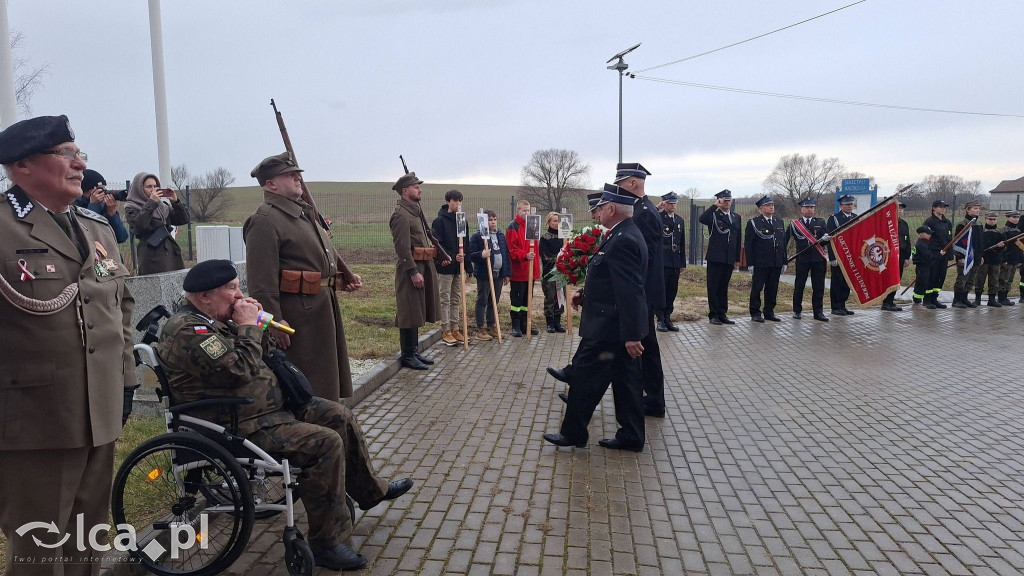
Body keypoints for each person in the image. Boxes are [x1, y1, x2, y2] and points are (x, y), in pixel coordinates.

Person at [155, 260, 413, 572]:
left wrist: (258, 326)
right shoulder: (188, 330)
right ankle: (326, 543)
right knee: (324, 443)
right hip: (235, 424)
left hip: (266, 412)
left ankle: (370, 491)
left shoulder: (216, 320)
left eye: (238, 286)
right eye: (231, 289)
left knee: (338, 415)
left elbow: (261, 355)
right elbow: (237, 370)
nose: (239, 295)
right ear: (204, 296)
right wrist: (248, 327)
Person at [0, 115, 135, 574]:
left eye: (79, 154)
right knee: (39, 552)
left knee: (87, 541)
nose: (80, 164)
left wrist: (126, 379)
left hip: (99, 410)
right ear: (22, 165)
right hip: (34, 420)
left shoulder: (96, 228)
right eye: (65, 154)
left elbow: (120, 305)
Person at [243, 152, 361, 401]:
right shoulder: (264, 221)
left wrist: (340, 278)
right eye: (289, 175)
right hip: (297, 318)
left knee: (326, 380)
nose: (298, 178)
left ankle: (327, 418)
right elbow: (260, 282)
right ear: (271, 184)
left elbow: (314, 261)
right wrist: (273, 323)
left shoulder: (303, 214)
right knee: (307, 383)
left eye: (297, 173)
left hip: (322, 308)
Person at [543, 185, 648, 452]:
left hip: (609, 328)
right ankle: (632, 435)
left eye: (600, 208)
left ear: (612, 209)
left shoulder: (624, 239)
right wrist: (584, 294)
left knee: (583, 378)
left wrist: (632, 335)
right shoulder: (621, 234)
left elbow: (630, 291)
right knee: (627, 383)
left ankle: (573, 433)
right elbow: (610, 281)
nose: (597, 213)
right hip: (613, 325)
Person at [614, 162, 666, 418]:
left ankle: (654, 400)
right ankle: (653, 398)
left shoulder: (643, 212)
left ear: (633, 183)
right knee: (646, 347)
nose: (618, 188)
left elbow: (643, 258)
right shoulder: (642, 209)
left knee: (645, 347)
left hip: (643, 291)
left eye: (621, 183)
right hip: (643, 291)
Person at [390, 171, 442, 370]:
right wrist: (413, 272)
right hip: (410, 270)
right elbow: (402, 248)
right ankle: (407, 355)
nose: (420, 190)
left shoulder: (414, 211)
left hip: (422, 266)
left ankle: (414, 352)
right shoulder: (400, 215)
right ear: (405, 191)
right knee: (409, 311)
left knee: (417, 310)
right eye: (416, 187)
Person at [124, 171, 190, 275]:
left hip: (171, 252)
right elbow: (139, 226)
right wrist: (151, 203)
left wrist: (176, 202)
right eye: (149, 187)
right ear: (139, 189)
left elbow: (183, 219)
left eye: (155, 186)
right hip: (151, 256)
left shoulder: (162, 206)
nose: (153, 189)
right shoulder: (132, 207)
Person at [430, 189, 469, 346]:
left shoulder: (462, 221)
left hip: (458, 267)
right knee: (444, 298)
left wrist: (467, 265)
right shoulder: (439, 222)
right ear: (448, 202)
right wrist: (452, 256)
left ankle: (455, 328)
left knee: (456, 299)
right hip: (445, 267)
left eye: (460, 201)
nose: (458, 204)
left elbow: (465, 243)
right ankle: (445, 330)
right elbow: (438, 245)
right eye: (455, 201)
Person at [699, 189, 742, 325]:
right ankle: (714, 314)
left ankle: (722, 313)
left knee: (724, 286)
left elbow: (738, 239)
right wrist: (714, 206)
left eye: (729, 200)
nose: (727, 203)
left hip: (729, 257)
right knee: (713, 286)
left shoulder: (736, 217)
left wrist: (737, 258)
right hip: (716, 257)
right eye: (724, 200)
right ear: (719, 201)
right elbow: (702, 219)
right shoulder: (714, 215)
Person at [468, 209, 511, 341]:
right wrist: (481, 254)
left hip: (498, 274)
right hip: (485, 274)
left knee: (494, 300)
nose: (493, 222)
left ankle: (492, 325)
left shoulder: (500, 235)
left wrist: (506, 273)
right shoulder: (478, 236)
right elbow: (471, 254)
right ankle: (480, 328)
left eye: (494, 219)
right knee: (483, 300)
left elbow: (504, 255)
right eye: (490, 220)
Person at [785, 197, 829, 321]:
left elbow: (825, 241)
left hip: (818, 259)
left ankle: (818, 312)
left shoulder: (821, 222)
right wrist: (784, 256)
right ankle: (797, 310)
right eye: (807, 207)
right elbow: (785, 239)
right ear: (802, 209)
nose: (809, 209)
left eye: (811, 207)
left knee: (818, 286)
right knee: (799, 285)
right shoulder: (795, 224)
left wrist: (826, 240)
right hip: (802, 259)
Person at [745, 195, 787, 322]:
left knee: (772, 288)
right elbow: (749, 245)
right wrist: (750, 263)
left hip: (776, 261)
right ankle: (755, 312)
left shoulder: (779, 222)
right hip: (761, 262)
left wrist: (784, 261)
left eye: (772, 205)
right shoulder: (754, 223)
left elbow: (782, 243)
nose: (771, 207)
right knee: (757, 288)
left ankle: (769, 311)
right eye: (768, 205)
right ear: (761, 208)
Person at [506, 200, 541, 337]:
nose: (527, 213)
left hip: (531, 270)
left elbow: (536, 247)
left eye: (528, 210)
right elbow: (512, 249)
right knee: (517, 300)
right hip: (519, 270)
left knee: (528, 299)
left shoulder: (533, 225)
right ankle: (515, 325)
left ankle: (526, 324)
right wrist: (525, 255)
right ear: (518, 211)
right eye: (524, 210)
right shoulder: (513, 226)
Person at [656, 192, 685, 332]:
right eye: (669, 203)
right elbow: (646, 218)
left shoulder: (679, 220)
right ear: (664, 203)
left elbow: (682, 242)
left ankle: (668, 317)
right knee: (661, 290)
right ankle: (660, 319)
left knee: (672, 290)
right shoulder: (658, 218)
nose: (672, 205)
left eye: (674, 203)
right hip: (663, 259)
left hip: (675, 260)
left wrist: (682, 262)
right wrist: (656, 208)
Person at [75, 169, 129, 243]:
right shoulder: (73, 206)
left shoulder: (102, 206)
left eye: (104, 189)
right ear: (86, 189)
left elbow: (121, 238)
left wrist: (112, 214)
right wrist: (93, 205)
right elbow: (86, 233)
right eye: (100, 189)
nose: (103, 193)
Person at [826, 194, 858, 315]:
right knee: (837, 281)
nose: (850, 206)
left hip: (851, 255)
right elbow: (830, 239)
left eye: (851, 204)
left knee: (847, 281)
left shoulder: (855, 217)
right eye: (847, 204)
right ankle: (835, 307)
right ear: (841, 206)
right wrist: (832, 257)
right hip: (838, 255)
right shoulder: (834, 218)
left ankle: (843, 305)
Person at [880, 202, 911, 312]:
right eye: (898, 208)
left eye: (902, 208)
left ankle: (890, 301)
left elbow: (907, 241)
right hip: (890, 255)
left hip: (901, 255)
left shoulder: (904, 223)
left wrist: (907, 257)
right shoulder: (886, 223)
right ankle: (886, 302)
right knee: (890, 278)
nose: (900, 210)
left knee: (897, 278)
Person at [953, 200, 984, 307]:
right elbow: (957, 242)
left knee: (971, 279)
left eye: (979, 208)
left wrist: (981, 256)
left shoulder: (979, 224)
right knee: (962, 279)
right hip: (965, 256)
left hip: (976, 256)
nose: (978, 210)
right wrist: (959, 257)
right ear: (968, 210)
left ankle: (964, 298)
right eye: (975, 208)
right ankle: (957, 300)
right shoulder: (962, 224)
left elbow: (980, 242)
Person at [924, 200, 954, 307]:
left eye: (944, 207)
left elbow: (950, 238)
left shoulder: (947, 222)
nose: (943, 209)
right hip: (934, 253)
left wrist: (950, 253)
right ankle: (927, 300)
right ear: (934, 208)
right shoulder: (929, 222)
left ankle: (934, 298)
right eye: (940, 207)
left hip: (944, 254)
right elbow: (926, 238)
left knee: (941, 277)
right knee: (931, 277)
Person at [540, 211, 566, 333]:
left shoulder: (563, 237)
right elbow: (545, 256)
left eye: (558, 221)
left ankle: (557, 322)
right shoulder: (545, 238)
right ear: (549, 222)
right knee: (550, 297)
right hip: (549, 273)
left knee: (560, 297)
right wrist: (559, 258)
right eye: (555, 221)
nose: (557, 223)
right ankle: (550, 323)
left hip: (562, 273)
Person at [976, 211, 1006, 307]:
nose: (992, 221)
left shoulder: (1000, 232)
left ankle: (992, 299)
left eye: (994, 219)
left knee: (994, 280)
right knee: (980, 279)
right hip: (983, 260)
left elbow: (1004, 247)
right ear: (986, 219)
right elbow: (978, 245)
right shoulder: (981, 232)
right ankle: (977, 299)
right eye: (990, 219)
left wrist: (1001, 246)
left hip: (995, 260)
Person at [912, 225, 939, 309]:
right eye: (927, 233)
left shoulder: (925, 243)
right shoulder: (921, 244)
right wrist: (939, 255)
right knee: (921, 283)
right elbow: (928, 256)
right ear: (921, 234)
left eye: (930, 234)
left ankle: (918, 301)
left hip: (925, 266)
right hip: (922, 266)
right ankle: (917, 302)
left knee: (924, 282)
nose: (929, 235)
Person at [998, 211, 1021, 305]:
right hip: (1006, 259)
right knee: (1003, 279)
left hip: (1015, 259)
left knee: (1010, 280)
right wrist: (1004, 259)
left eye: (1017, 217)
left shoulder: (1018, 231)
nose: (1016, 219)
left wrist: (1020, 259)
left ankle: (1005, 296)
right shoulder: (1003, 231)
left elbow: (1020, 247)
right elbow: (1002, 247)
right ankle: (1001, 298)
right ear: (1007, 218)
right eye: (1013, 217)